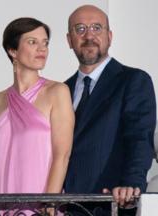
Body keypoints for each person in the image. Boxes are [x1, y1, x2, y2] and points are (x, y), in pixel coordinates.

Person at [64, 5, 156, 215]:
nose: (89, 36)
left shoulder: (133, 80)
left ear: (110, 36)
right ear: (69, 40)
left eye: (97, 28)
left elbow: (139, 137)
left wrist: (132, 185)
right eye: (80, 29)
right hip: (65, 205)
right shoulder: (61, 90)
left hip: (110, 203)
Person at [0, 17, 74, 214]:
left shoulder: (57, 92)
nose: (42, 49)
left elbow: (62, 155)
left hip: (39, 207)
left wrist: (49, 205)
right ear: (12, 50)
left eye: (45, 43)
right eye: (32, 42)